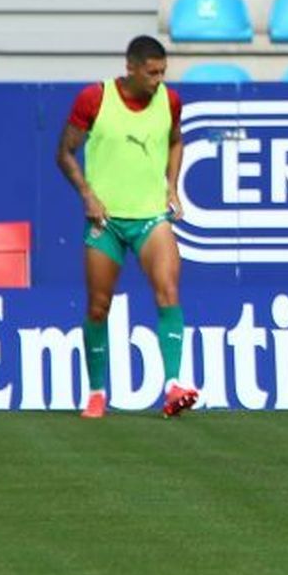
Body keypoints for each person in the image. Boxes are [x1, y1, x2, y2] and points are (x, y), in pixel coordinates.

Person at [55, 36, 199, 419]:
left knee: (168, 290)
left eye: (163, 72)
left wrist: (171, 185)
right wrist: (87, 193)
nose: (158, 79)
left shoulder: (169, 101)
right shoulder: (96, 99)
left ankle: (172, 387)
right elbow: (65, 151)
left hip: (150, 216)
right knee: (99, 307)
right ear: (131, 68)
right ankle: (97, 392)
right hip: (107, 220)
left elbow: (176, 141)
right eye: (152, 72)